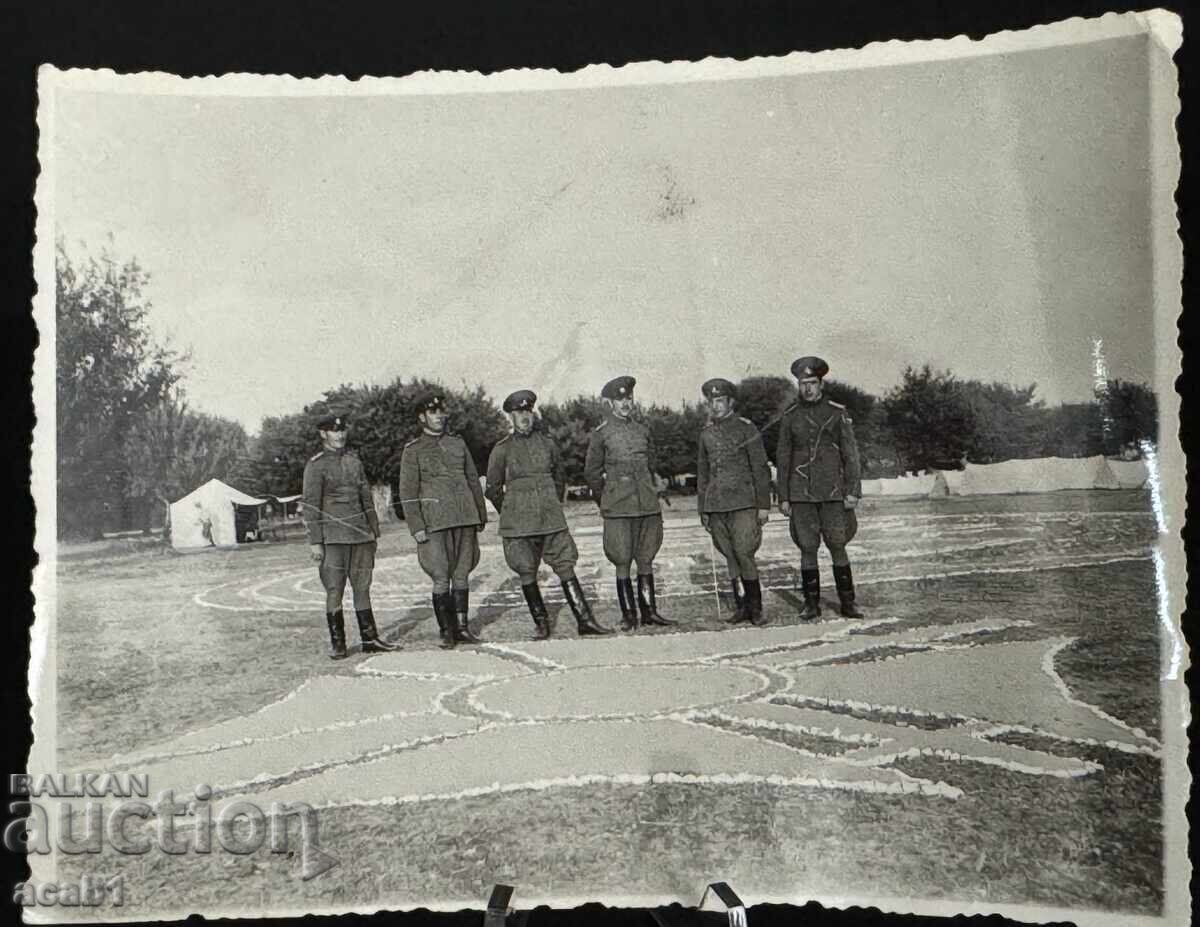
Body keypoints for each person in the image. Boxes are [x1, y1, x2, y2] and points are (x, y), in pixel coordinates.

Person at [485, 389, 613, 640]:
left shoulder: (547, 444)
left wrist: (552, 502)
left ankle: (585, 620)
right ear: (510, 416)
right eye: (519, 412)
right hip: (519, 524)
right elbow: (492, 489)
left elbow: (559, 477)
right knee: (526, 570)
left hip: (550, 519)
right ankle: (541, 624)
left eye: (528, 411)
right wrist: (511, 511)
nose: (524, 417)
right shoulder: (501, 450)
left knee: (565, 565)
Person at [583, 375, 676, 631]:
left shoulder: (642, 430)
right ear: (610, 403)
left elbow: (652, 465)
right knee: (621, 558)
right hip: (618, 506)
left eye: (628, 398)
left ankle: (649, 612)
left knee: (646, 557)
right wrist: (607, 497)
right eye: (619, 399)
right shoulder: (601, 435)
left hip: (646, 504)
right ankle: (629, 615)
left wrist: (656, 488)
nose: (625, 403)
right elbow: (591, 473)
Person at [302, 414, 397, 659]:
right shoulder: (316, 465)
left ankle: (370, 638)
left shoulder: (354, 462)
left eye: (343, 430)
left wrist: (373, 531)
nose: (340, 435)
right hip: (333, 538)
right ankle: (339, 644)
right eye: (334, 431)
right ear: (323, 434)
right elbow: (311, 505)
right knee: (334, 589)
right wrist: (316, 542)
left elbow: (366, 498)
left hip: (360, 535)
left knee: (362, 587)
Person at [398, 392, 489, 649]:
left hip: (464, 516)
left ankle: (462, 627)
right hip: (434, 522)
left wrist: (480, 514)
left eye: (441, 412)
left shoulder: (458, 444)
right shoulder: (413, 450)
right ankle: (445, 631)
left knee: (462, 575)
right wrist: (416, 526)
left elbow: (472, 479)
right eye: (432, 412)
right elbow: (407, 491)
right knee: (441, 576)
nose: (439, 417)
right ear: (422, 417)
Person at [776, 356, 865, 620]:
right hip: (801, 494)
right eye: (803, 384)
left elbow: (851, 455)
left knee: (838, 545)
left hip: (832, 493)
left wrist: (853, 490)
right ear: (798, 386)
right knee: (807, 548)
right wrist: (783, 497)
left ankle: (848, 602)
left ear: (821, 384)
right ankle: (811, 604)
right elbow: (783, 459)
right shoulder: (790, 417)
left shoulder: (837, 413)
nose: (808, 389)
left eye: (812, 383)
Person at [696, 378, 772, 626]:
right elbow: (703, 473)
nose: (715, 406)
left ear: (730, 402)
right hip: (717, 504)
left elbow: (760, 468)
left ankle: (756, 608)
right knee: (729, 555)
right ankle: (741, 607)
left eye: (720, 401)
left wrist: (763, 505)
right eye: (711, 401)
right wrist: (703, 509)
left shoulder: (746, 428)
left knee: (744, 553)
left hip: (743, 503)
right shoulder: (706, 434)